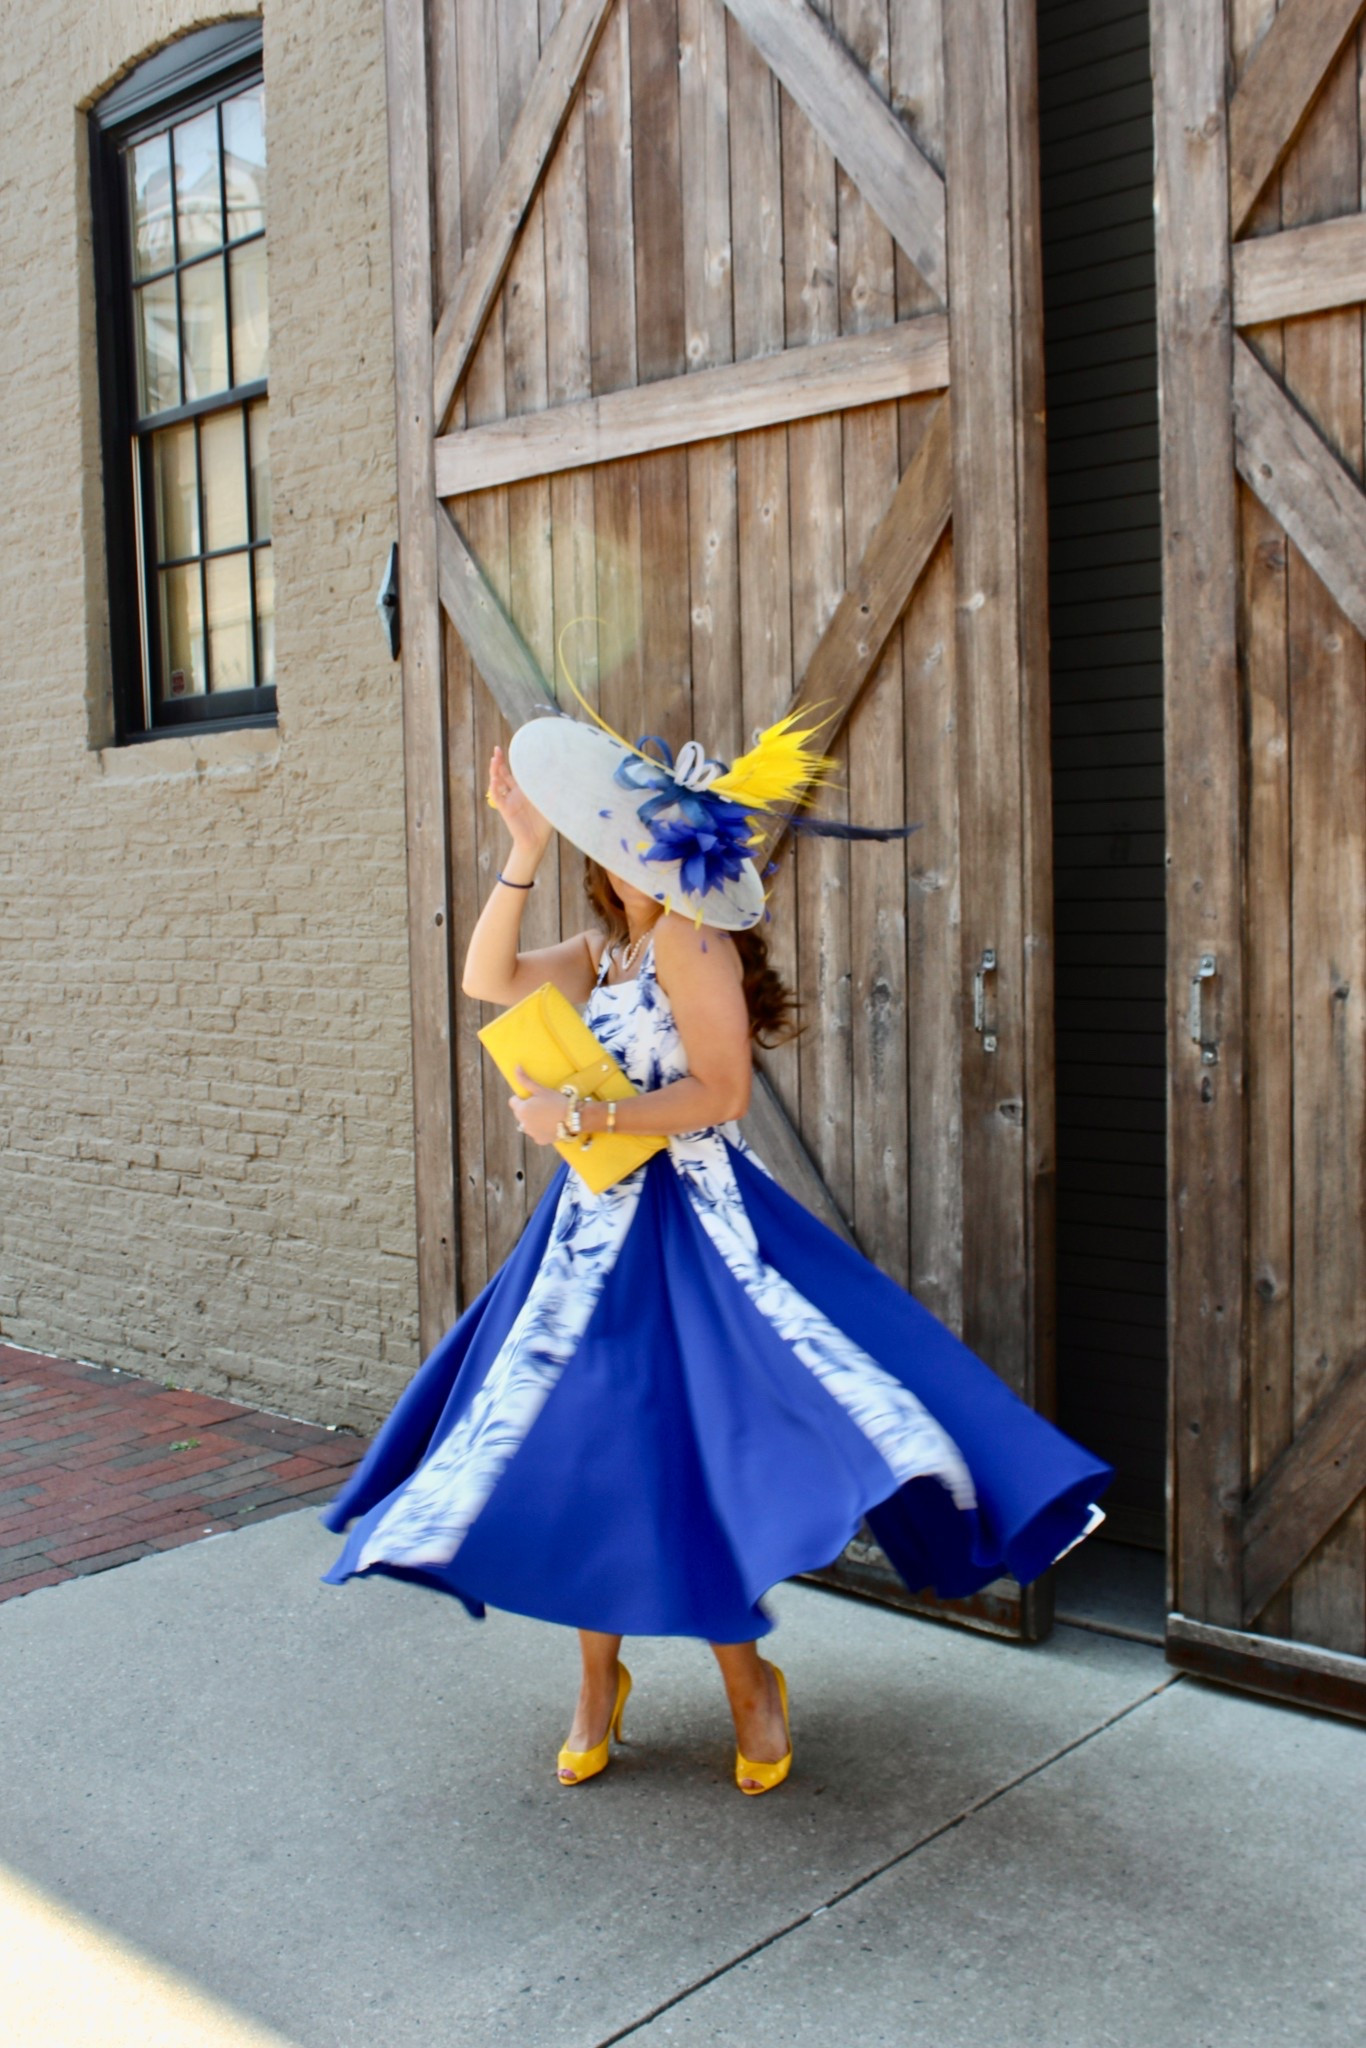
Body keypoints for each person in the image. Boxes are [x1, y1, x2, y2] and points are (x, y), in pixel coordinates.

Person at [320, 706, 1112, 1796]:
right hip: (587, 1231)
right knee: (590, 1446)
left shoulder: (694, 939)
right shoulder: (606, 949)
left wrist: (579, 1121)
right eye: (602, 826)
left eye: (628, 827)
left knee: (677, 1459)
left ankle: (751, 1685)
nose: (616, 843)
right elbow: (486, 978)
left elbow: (721, 1092)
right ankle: (599, 1685)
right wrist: (519, 849)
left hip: (690, 1230)